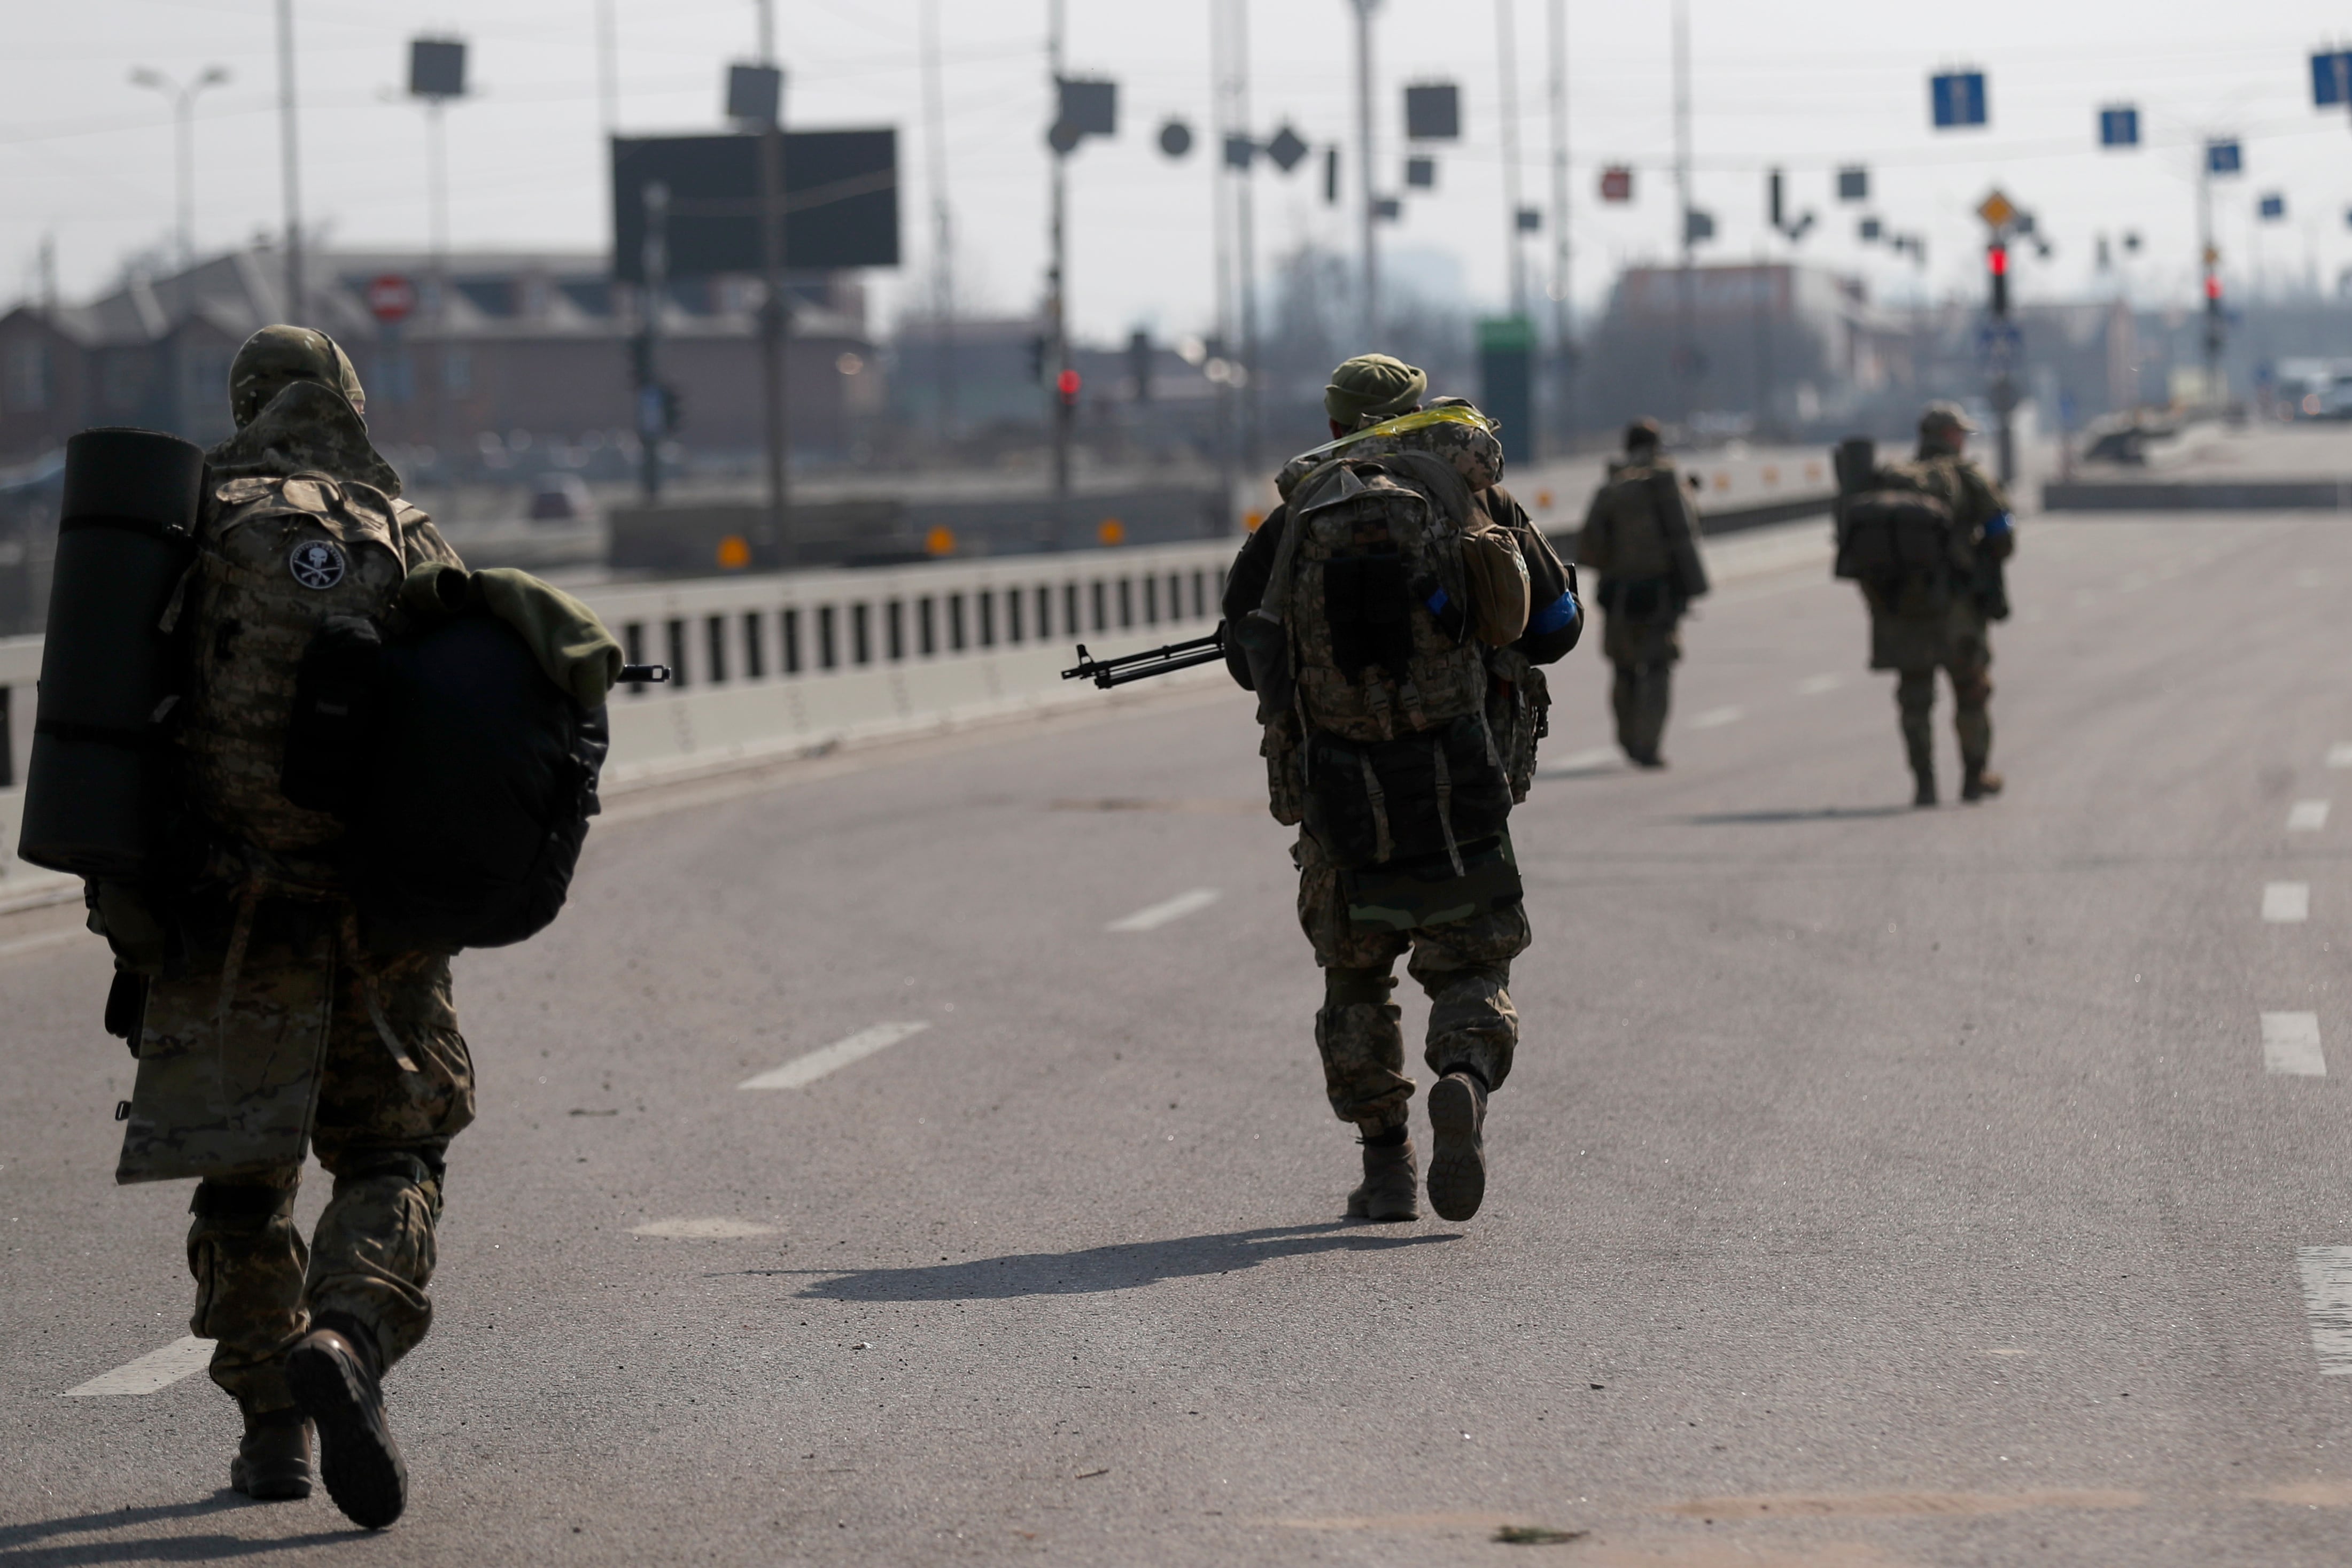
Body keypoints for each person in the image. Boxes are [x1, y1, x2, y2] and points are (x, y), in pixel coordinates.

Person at [85, 327, 473, 1529]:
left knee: (245, 1186)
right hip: (375, 916)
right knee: (393, 1150)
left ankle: (271, 1432)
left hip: (219, 911)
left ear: (247, 406)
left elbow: (114, 722)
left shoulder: (189, 527)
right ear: (348, 402)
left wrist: (128, 914)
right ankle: (349, 1333)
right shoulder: (402, 532)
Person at [1222, 353, 1581, 1224]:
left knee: (1355, 978)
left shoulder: (1296, 515)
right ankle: (1461, 1073)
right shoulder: (1476, 496)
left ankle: (1386, 1168)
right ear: (1419, 413)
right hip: (1460, 776)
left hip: (1340, 789)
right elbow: (1558, 628)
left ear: (1336, 422)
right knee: (1471, 959)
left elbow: (1246, 656)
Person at [1846, 402, 2015, 805]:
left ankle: (1924, 784)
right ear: (1950, 436)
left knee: (1914, 698)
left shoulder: (1891, 479)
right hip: (1957, 608)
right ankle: (1974, 778)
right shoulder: (1968, 476)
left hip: (1903, 609)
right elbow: (2001, 533)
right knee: (1970, 691)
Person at [1575, 419, 1709, 767]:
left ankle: (1627, 740)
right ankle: (1648, 744)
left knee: (1624, 670)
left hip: (1618, 595)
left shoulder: (1611, 488)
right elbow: (1689, 536)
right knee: (1658, 669)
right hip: (1661, 594)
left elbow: (1589, 550)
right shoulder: (1670, 486)